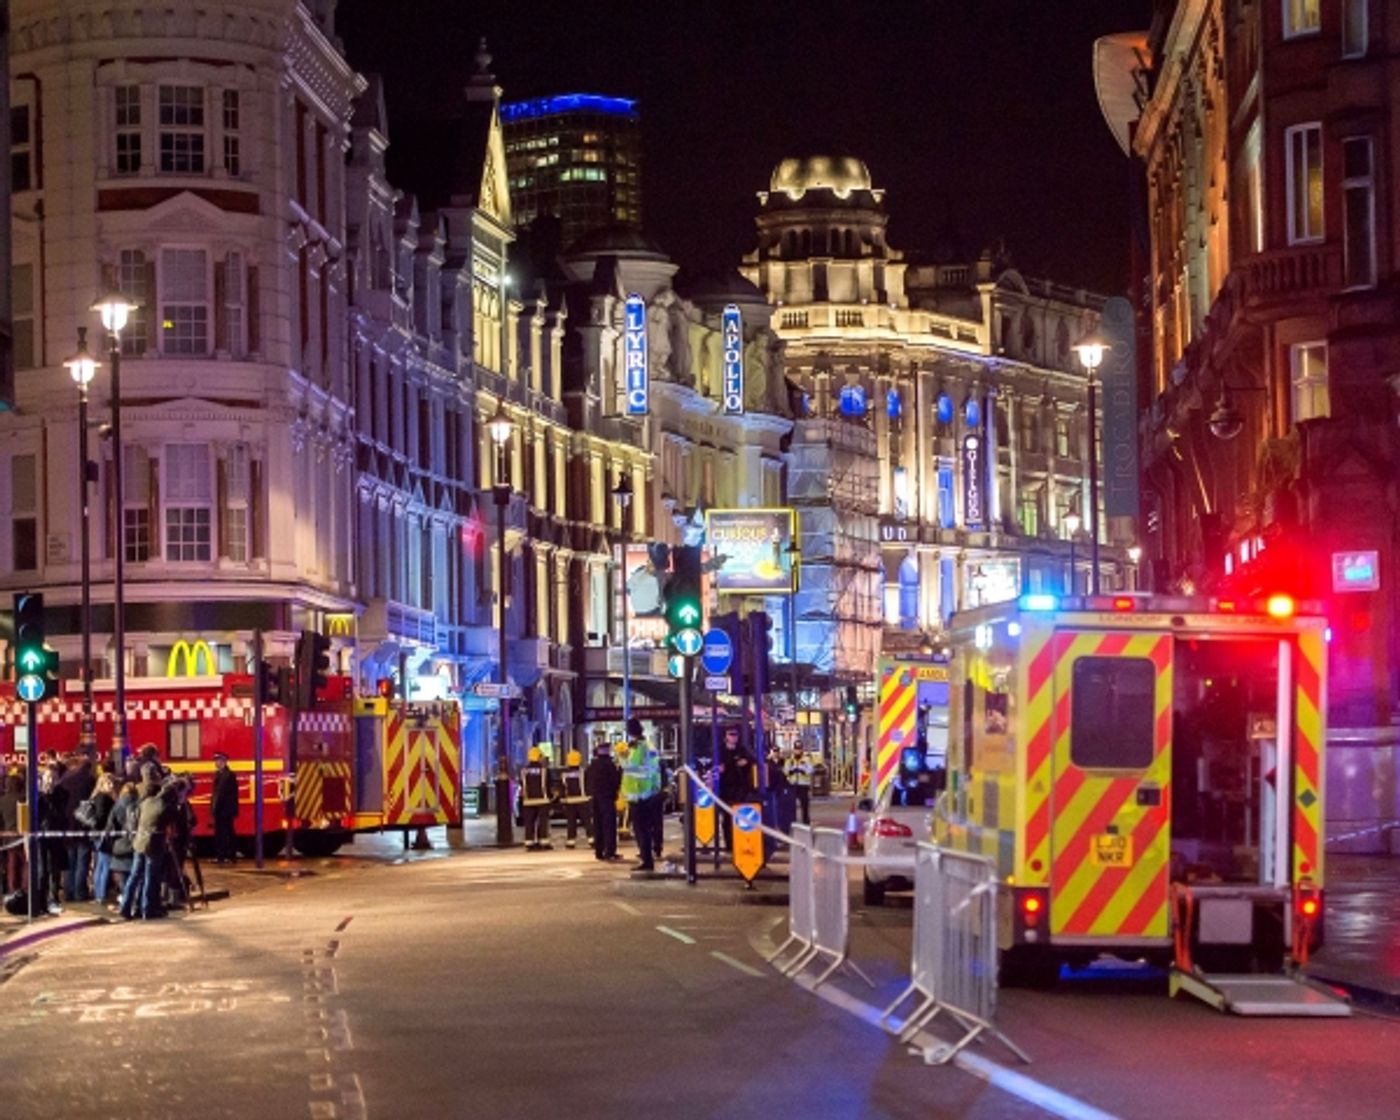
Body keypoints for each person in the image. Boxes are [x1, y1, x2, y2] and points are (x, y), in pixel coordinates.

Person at [620, 718, 662, 873]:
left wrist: (622, 756)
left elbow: (632, 767)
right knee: (647, 828)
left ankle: (646, 860)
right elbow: (655, 768)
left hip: (638, 794)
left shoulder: (638, 747)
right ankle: (647, 857)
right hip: (648, 792)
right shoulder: (649, 745)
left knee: (641, 830)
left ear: (630, 732)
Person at [59, 754, 98, 902]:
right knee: (83, 859)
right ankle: (79, 892)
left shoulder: (66, 779)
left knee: (70, 860)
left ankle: (68, 892)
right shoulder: (90, 780)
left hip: (67, 825)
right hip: (83, 823)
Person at [717, 727, 756, 852]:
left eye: (736, 735)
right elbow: (713, 765)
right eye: (731, 734)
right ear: (726, 736)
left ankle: (739, 843)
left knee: (740, 817)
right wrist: (719, 769)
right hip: (725, 789)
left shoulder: (742, 749)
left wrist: (746, 762)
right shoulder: (720, 751)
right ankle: (729, 845)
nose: (734, 737)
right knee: (727, 818)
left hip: (740, 788)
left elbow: (752, 760)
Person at [104, 781, 139, 913]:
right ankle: (134, 903)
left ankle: (125, 902)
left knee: (122, 878)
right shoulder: (139, 804)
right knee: (135, 877)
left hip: (119, 845)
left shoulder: (117, 805)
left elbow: (110, 827)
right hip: (134, 844)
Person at [88, 772, 120, 905]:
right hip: (103, 835)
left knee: (100, 864)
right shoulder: (104, 798)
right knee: (104, 865)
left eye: (112, 783)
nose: (111, 786)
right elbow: (101, 817)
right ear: (102, 784)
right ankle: (101, 894)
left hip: (97, 835)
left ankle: (98, 893)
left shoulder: (96, 797)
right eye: (108, 783)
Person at [586, 744, 621, 861]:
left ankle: (599, 851)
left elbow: (587, 781)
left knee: (598, 825)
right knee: (609, 825)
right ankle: (610, 852)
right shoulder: (610, 766)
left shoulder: (591, 766)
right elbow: (616, 781)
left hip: (595, 799)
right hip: (607, 799)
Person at [519, 747, 553, 850]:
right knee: (542, 822)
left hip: (528, 800)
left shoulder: (523, 771)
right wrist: (551, 797)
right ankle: (543, 842)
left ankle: (529, 842)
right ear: (538, 757)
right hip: (543, 799)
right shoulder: (544, 770)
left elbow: (522, 783)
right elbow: (548, 784)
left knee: (529, 822)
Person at [210, 753, 240, 864]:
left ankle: (226, 856)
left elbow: (222, 794)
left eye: (218, 761)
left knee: (225, 833)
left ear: (224, 762)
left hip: (225, 810)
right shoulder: (219, 774)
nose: (216, 763)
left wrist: (216, 807)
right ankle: (224, 856)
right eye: (216, 761)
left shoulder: (229, 775)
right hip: (220, 810)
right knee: (222, 833)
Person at [559, 751, 591, 849]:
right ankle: (592, 839)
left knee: (571, 822)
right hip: (583, 800)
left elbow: (562, 788)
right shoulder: (584, 772)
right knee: (587, 821)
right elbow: (589, 785)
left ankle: (570, 841)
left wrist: (562, 799)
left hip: (570, 801)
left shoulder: (564, 774)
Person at [0, 770, 24, 895]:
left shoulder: (2, 800)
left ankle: (12, 889)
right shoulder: (23, 798)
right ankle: (24, 889)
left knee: (12, 864)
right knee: (25, 864)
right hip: (22, 835)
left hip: (8, 836)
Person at [786, 746, 814, 825]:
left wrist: (803, 771)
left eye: (799, 749)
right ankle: (792, 821)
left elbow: (811, 769)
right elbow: (785, 770)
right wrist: (791, 771)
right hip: (793, 785)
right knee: (791, 805)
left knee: (804, 805)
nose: (798, 751)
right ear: (794, 750)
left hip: (803, 785)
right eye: (796, 749)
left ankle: (806, 821)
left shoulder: (807, 759)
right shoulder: (790, 759)